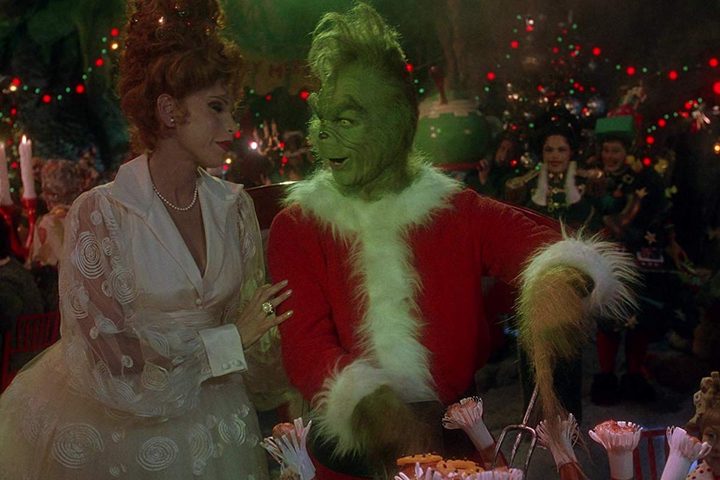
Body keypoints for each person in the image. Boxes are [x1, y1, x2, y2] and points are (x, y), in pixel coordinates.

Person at [267, 4, 637, 478]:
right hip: (347, 459)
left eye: (346, 120)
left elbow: (541, 243)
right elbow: (305, 346)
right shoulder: (300, 226)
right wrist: (371, 408)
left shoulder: (454, 209)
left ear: (395, 123)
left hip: (456, 447)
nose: (322, 136)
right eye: (322, 118)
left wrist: (557, 281)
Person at [0, 1, 293, 478]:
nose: (232, 127)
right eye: (216, 107)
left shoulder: (233, 207)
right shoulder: (102, 213)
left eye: (232, 109)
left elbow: (254, 333)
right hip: (129, 440)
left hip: (222, 426)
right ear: (169, 111)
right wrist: (227, 342)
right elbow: (111, 359)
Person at [0, 217, 44, 357]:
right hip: (32, 348)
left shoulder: (6, 282)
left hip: (17, 357)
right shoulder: (15, 267)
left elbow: (6, 322)